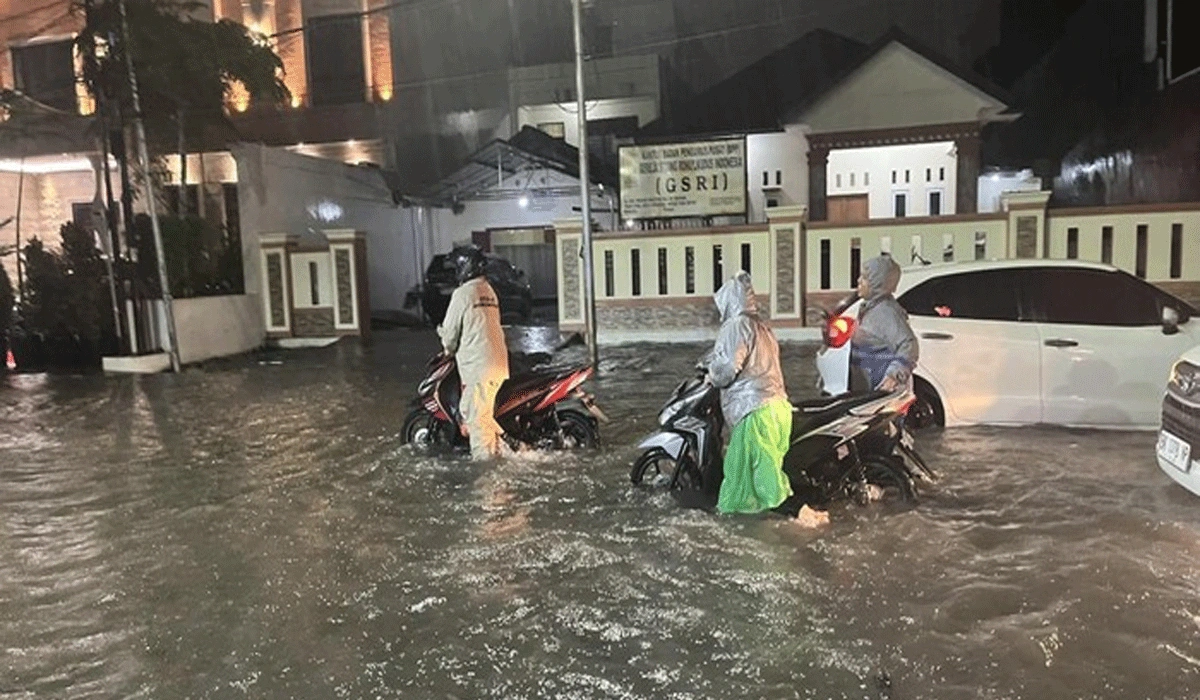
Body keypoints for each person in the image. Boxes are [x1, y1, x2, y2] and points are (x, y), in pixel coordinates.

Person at [703, 271, 793, 514]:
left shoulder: (736, 325)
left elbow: (728, 367)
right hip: (777, 408)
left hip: (753, 411)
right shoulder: (762, 327)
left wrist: (712, 374)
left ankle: (784, 525)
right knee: (763, 474)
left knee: (741, 478)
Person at [438, 246, 510, 460]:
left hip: (478, 369)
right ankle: (501, 457)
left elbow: (450, 335)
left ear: (464, 267)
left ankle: (487, 480)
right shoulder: (489, 291)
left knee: (478, 427)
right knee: (488, 420)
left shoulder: (462, 294)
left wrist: (446, 347)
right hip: (499, 367)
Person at [851, 255, 919, 393]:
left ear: (876, 283)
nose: (859, 281)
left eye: (864, 277)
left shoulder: (885, 312)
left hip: (881, 393)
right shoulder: (872, 308)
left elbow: (909, 344)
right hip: (870, 390)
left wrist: (893, 376)